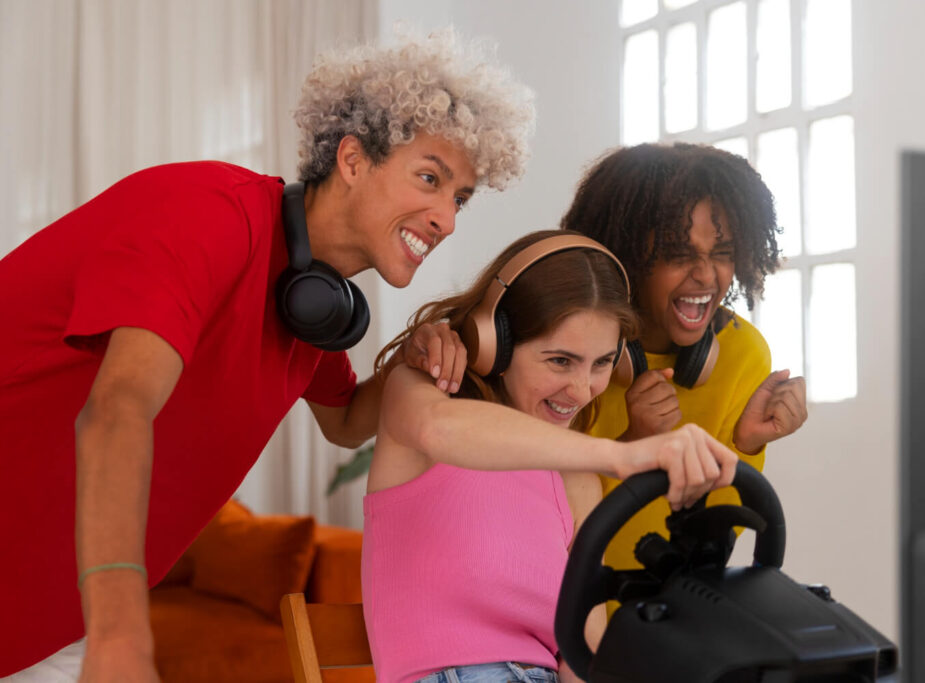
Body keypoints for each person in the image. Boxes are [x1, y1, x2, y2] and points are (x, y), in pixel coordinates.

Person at [0, 30, 534, 681]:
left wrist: (412, 357)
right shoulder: (207, 216)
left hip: (48, 620)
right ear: (353, 159)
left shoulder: (309, 306)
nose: (446, 219)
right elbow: (116, 409)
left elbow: (345, 421)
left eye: (460, 199)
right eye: (430, 178)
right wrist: (120, 631)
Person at [362, 229, 740, 683]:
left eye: (601, 363)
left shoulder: (575, 478)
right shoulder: (421, 396)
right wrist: (622, 456)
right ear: (495, 343)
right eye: (560, 361)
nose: (581, 390)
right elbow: (439, 427)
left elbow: (586, 646)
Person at [560, 142, 808, 574]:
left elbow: (716, 539)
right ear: (626, 255)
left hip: (671, 616)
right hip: (572, 611)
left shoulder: (742, 352)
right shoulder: (570, 350)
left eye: (723, 253)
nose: (707, 276)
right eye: (678, 254)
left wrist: (745, 446)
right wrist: (628, 447)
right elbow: (541, 516)